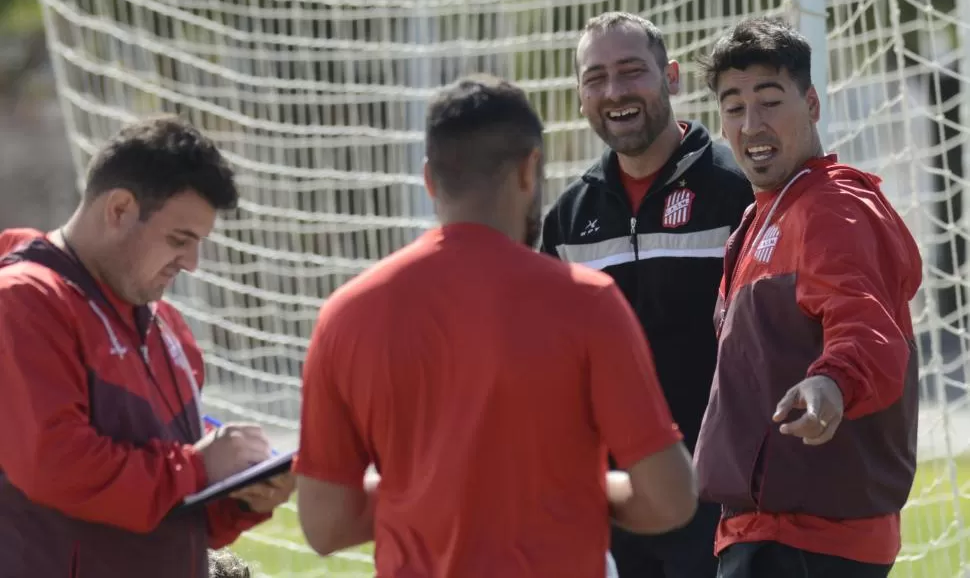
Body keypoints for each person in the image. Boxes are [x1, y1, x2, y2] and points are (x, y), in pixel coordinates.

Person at [293, 74, 698, 577]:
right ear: (529, 170)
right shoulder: (587, 304)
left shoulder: (345, 315)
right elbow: (671, 498)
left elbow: (325, 523)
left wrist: (428, 492)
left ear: (429, 179)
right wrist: (570, 490)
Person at [0, 116, 295, 578]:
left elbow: (170, 505)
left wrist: (240, 495)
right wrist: (200, 467)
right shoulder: (22, 300)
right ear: (118, 209)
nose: (193, 264)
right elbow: (54, 465)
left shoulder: (167, 325)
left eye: (198, 243)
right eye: (179, 240)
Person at [692, 17, 922, 578]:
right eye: (734, 107)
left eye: (770, 101)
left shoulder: (831, 206)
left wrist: (833, 381)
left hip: (809, 543)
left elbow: (864, 329)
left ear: (813, 103)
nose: (751, 124)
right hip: (760, 532)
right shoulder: (762, 216)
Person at [539, 11, 754, 578]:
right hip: (613, 505)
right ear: (580, 94)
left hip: (724, 501)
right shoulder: (567, 219)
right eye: (596, 78)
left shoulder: (739, 194)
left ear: (673, 78)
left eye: (632, 71)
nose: (614, 92)